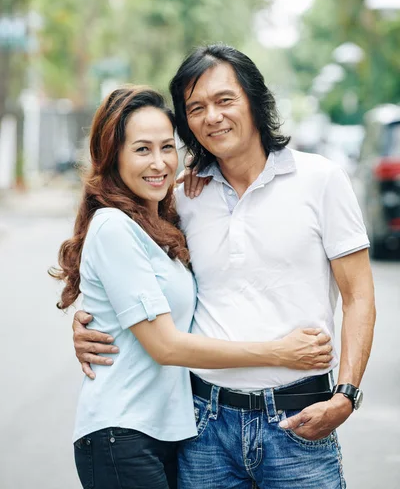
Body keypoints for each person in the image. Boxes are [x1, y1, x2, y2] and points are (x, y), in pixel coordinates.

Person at [73, 46, 376, 489]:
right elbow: (128, 272)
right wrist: (90, 322)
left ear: (254, 100)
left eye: (224, 100)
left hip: (299, 421)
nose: (211, 116)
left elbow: (359, 296)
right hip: (204, 429)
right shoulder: (181, 195)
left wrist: (346, 395)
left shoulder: (321, 179)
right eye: (196, 108)